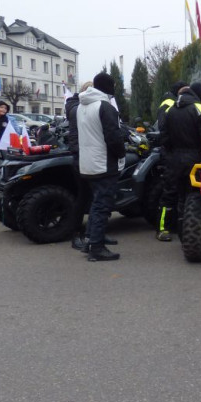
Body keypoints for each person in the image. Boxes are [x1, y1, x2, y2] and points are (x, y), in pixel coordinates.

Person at [76, 73, 130, 261]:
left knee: (95, 203)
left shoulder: (82, 106)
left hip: (88, 163)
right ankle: (96, 248)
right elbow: (113, 137)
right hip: (104, 163)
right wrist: (122, 153)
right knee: (102, 205)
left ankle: (90, 240)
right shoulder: (104, 107)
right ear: (107, 86)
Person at [157, 85, 201, 242]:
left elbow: (164, 136)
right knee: (192, 196)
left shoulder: (169, 109)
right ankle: (184, 231)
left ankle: (162, 229)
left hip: (173, 158)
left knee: (169, 194)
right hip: (194, 160)